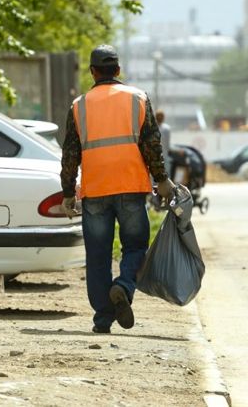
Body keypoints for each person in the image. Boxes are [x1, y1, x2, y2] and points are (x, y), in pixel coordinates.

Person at [60, 44, 174, 334]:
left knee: (97, 256)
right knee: (135, 246)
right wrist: (162, 179)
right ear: (118, 70)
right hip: (130, 188)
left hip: (95, 191)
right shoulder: (138, 98)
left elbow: (70, 154)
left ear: (92, 72)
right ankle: (123, 286)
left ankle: (103, 318)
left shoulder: (79, 106)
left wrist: (68, 193)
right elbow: (152, 144)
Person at [155, 109, 172, 177]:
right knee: (166, 175)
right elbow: (168, 145)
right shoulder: (166, 128)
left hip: (154, 156)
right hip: (164, 155)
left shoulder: (152, 127)